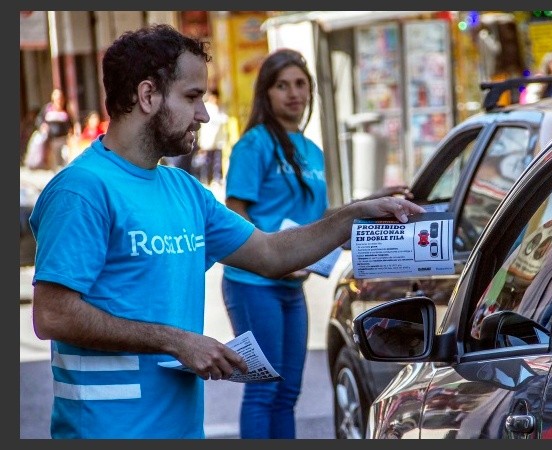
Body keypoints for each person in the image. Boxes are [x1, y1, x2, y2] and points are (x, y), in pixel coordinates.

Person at [28, 24, 424, 439]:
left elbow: (271, 253)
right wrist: (175, 341)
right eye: (192, 97)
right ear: (147, 96)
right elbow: (53, 314)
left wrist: (353, 216)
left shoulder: (184, 190)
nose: (203, 114)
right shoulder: (83, 189)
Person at [222, 48, 411, 439]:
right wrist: (271, 257)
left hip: (293, 284)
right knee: (263, 389)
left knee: (288, 392)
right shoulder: (253, 145)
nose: (293, 93)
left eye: (300, 84)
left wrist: (366, 204)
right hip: (254, 283)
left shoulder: (312, 151)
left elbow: (320, 219)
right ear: (266, 93)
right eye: (282, 85)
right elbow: (234, 214)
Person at [35, 88, 76, 170]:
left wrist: (72, 134)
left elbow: (71, 123)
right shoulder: (47, 109)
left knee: (65, 158)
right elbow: (39, 119)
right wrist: (42, 126)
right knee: (55, 161)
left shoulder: (66, 109)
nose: (58, 100)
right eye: (57, 98)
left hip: (63, 139)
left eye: (60, 98)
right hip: (52, 140)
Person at [193, 89, 227, 185]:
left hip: (218, 141)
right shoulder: (205, 107)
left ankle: (216, 178)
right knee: (207, 161)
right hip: (207, 141)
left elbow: (225, 120)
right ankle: (206, 179)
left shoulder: (221, 108)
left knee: (217, 162)